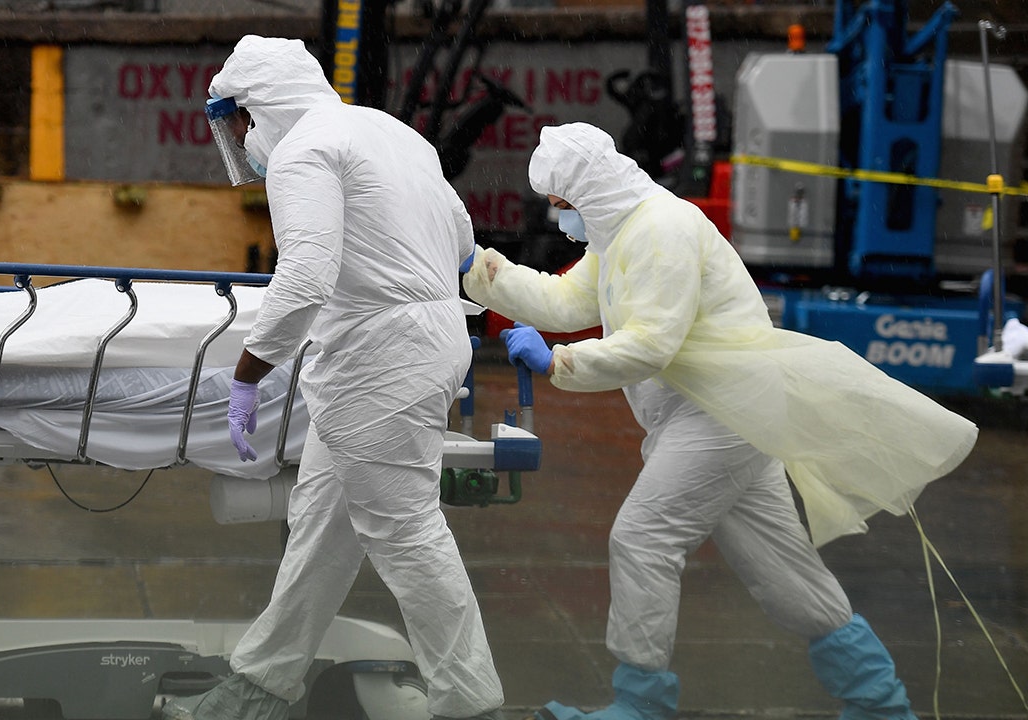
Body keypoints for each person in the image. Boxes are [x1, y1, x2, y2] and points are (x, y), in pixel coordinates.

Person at [462, 123, 978, 720]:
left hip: (717, 418)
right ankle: (879, 703)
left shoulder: (663, 229)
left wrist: (559, 362)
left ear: (590, 192)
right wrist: (478, 269)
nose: (560, 220)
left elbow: (652, 343)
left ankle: (641, 702)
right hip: (728, 414)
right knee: (783, 570)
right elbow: (565, 299)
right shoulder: (619, 233)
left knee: (643, 538)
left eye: (562, 205)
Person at [167, 35, 504, 720]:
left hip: (379, 361)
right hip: (426, 341)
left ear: (259, 105)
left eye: (240, 121)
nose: (243, 139)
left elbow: (305, 277)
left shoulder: (302, 150)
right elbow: (463, 241)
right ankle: (258, 688)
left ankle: (473, 706)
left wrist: (247, 375)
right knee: (322, 526)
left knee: (406, 535)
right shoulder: (391, 132)